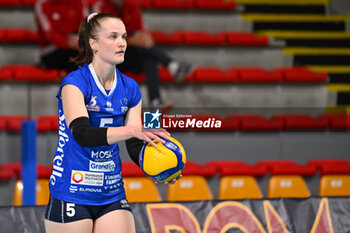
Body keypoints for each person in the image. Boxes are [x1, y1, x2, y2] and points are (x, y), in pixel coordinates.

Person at [44, 13, 172, 233]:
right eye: (112, 36)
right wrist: (131, 129)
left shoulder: (131, 88)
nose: (122, 42)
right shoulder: (74, 83)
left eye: (123, 36)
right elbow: (83, 134)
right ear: (93, 43)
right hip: (72, 191)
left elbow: (133, 145)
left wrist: (157, 165)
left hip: (111, 192)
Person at [92, 0, 193, 109]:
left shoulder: (131, 7)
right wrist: (130, 40)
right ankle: (172, 66)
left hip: (128, 55)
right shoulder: (100, 7)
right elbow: (101, 39)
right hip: (107, 59)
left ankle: (155, 100)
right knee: (145, 51)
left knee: (148, 57)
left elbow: (140, 31)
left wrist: (146, 39)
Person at [34, 0, 89, 70]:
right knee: (81, 59)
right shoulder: (42, 4)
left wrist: (81, 41)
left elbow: (86, 26)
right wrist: (70, 43)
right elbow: (49, 35)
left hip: (77, 46)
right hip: (52, 50)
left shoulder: (79, 2)